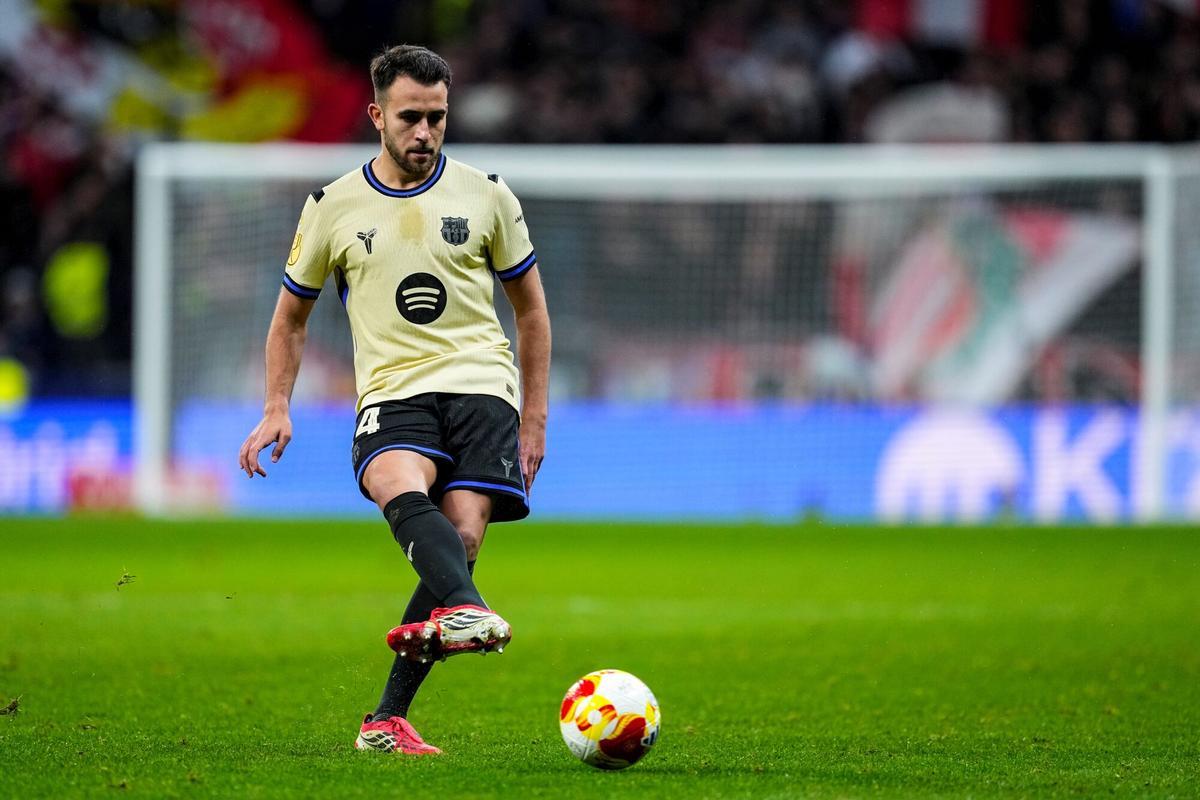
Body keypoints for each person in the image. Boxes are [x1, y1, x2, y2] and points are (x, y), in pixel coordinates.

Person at [237, 44, 551, 755]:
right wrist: (277, 405)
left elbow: (531, 311)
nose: (425, 133)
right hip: (392, 389)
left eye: (437, 118)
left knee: (462, 539)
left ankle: (384, 720)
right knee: (394, 480)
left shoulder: (488, 195)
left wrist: (533, 418)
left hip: (481, 384)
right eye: (411, 117)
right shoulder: (332, 206)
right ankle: (467, 611)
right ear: (377, 114)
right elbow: (290, 317)